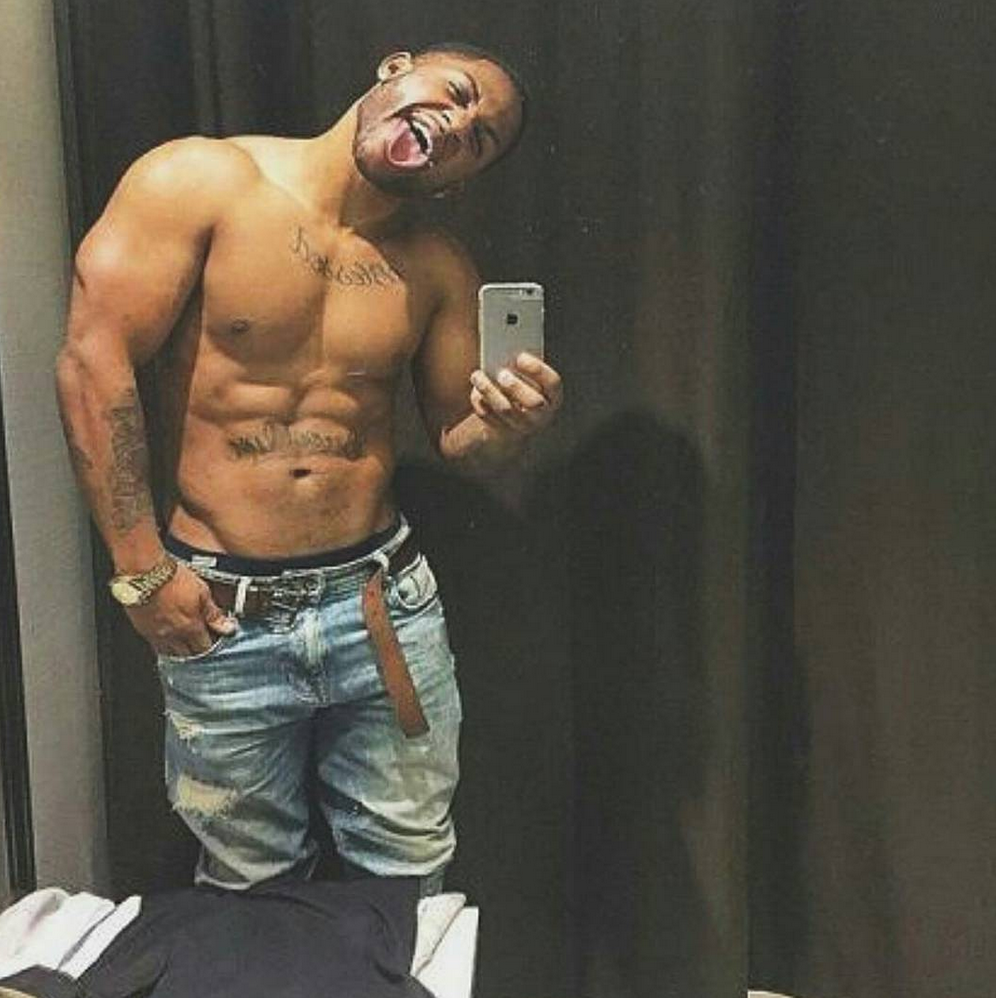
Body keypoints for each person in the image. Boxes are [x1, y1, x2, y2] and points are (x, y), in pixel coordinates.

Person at [55, 42, 563, 896]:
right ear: (394, 69)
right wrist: (142, 572)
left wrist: (511, 423)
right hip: (222, 612)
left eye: (478, 137)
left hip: (383, 608)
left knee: (407, 872)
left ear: (456, 181)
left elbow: (461, 439)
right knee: (250, 884)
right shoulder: (198, 181)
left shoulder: (434, 265)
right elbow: (91, 363)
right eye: (456, 92)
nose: (456, 122)